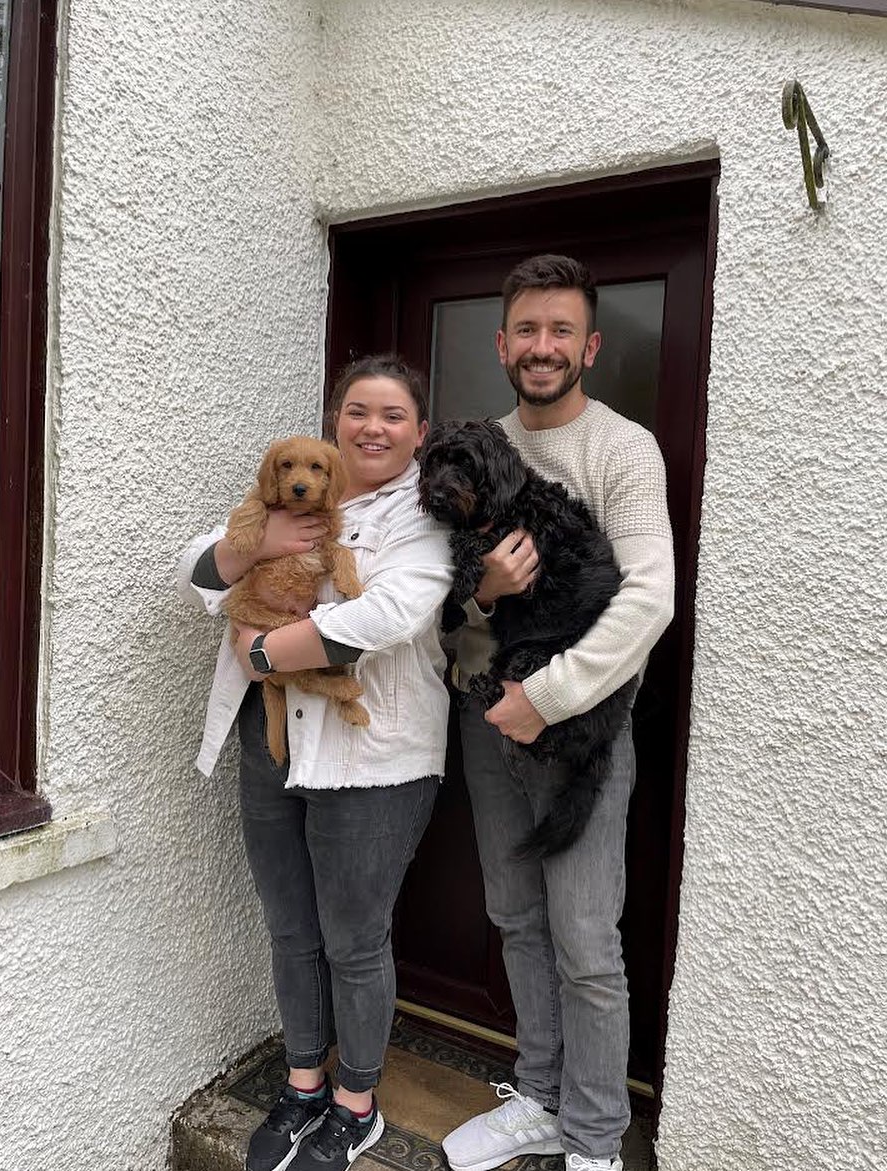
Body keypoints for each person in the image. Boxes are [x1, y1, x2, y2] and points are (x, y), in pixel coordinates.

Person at [176, 355, 452, 1171]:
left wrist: (264, 649)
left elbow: (390, 613)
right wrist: (257, 544)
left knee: (354, 939)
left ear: (419, 432)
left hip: (373, 761)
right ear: (335, 424)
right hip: (272, 749)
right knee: (289, 924)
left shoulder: (428, 512)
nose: (372, 427)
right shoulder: (279, 498)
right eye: (357, 410)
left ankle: (355, 1103)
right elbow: (195, 567)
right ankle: (302, 1081)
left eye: (392, 415)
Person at [440, 256, 674, 1171]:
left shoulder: (622, 449)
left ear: (590, 346)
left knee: (585, 941)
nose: (543, 347)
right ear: (502, 344)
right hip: (484, 717)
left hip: (579, 727)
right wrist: (485, 595)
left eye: (561, 331)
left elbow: (647, 598)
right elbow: (442, 603)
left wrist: (545, 699)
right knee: (515, 916)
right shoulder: (473, 451)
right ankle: (538, 1094)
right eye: (528, 331)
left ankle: (594, 1138)